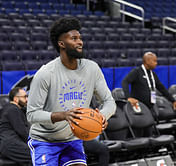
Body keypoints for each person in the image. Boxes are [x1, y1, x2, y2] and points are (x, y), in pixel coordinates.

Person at [26, 17, 116, 166]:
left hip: (72, 140)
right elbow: (31, 114)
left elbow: (109, 101)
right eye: (74, 38)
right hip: (45, 141)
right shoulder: (46, 73)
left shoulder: (92, 68)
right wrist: (63, 115)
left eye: (80, 38)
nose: (80, 42)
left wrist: (101, 116)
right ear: (61, 44)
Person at [122, 52, 176, 136]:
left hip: (149, 108)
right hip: (138, 109)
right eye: (154, 61)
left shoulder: (152, 74)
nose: (156, 63)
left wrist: (173, 101)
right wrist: (128, 97)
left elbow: (161, 88)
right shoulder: (137, 72)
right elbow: (125, 82)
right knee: (139, 135)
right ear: (147, 61)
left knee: (149, 134)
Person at [0, 87, 32, 166]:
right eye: (24, 97)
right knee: (37, 156)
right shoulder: (13, 110)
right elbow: (22, 132)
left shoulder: (13, 109)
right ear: (16, 99)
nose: (27, 99)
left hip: (14, 144)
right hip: (11, 145)